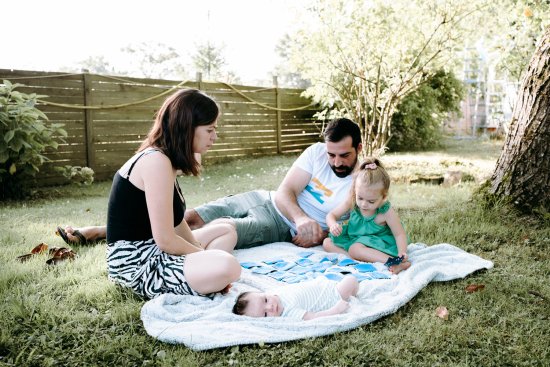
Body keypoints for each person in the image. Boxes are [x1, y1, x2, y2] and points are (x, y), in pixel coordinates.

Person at [57, 117, 363, 250]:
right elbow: (286, 191)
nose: (335, 162)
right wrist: (303, 217)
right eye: (331, 154)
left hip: (278, 225)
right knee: (185, 219)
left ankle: (116, 239)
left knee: (207, 233)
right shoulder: (315, 153)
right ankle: (102, 232)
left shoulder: (365, 181)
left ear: (359, 149)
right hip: (264, 198)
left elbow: (358, 226)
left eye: (343, 156)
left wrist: (315, 231)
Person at [103, 88, 241, 299]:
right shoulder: (156, 162)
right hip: (136, 266)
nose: (215, 137)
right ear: (187, 128)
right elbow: (166, 240)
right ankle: (209, 276)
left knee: (225, 230)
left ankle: (207, 275)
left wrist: (200, 254)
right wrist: (205, 257)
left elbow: (176, 223)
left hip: (155, 250)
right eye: (209, 130)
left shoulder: (165, 160)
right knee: (228, 266)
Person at [323, 158, 411, 274]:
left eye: (371, 201)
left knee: (355, 249)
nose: (364, 204)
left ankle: (394, 262)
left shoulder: (385, 211)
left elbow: (399, 234)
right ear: (355, 191)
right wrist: (333, 224)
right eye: (360, 198)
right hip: (354, 239)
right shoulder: (352, 200)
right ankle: (358, 256)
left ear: (383, 197)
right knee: (327, 242)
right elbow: (331, 215)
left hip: (377, 243)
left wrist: (402, 252)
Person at [232, 275, 358, 320]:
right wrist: (336, 310)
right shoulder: (288, 312)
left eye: (265, 300)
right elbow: (313, 317)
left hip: (323, 284)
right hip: (334, 295)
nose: (270, 307)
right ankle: (351, 296)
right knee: (350, 280)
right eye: (265, 314)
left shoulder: (273, 292)